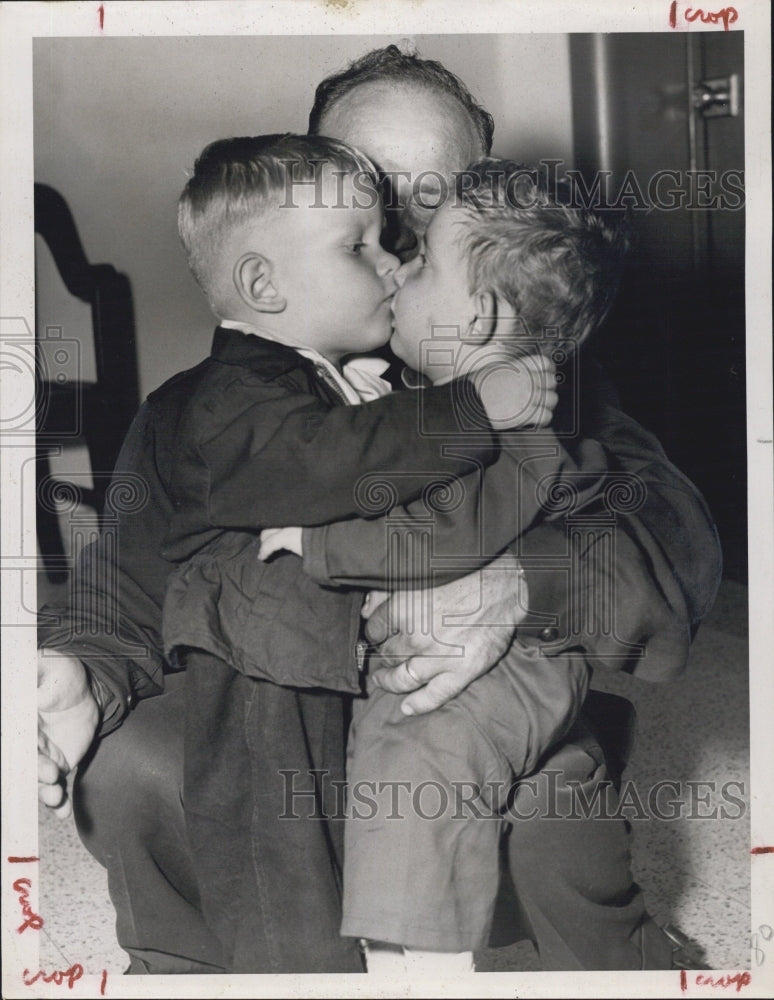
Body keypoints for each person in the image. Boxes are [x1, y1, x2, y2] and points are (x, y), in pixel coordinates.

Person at [37, 45, 721, 973]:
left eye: (428, 208)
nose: (395, 250)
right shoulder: (204, 410)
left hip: (454, 712)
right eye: (365, 205)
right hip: (281, 722)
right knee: (131, 768)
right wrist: (83, 672)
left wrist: (523, 585)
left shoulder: (531, 380)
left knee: (548, 804)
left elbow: (677, 533)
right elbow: (121, 579)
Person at [255, 156, 634, 976]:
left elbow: (438, 534)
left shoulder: (514, 417)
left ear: (481, 315)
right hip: (475, 651)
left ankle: (421, 960)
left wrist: (315, 544)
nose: (400, 267)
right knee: (370, 739)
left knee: (415, 758)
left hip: (520, 663)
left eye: (422, 257)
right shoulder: (461, 395)